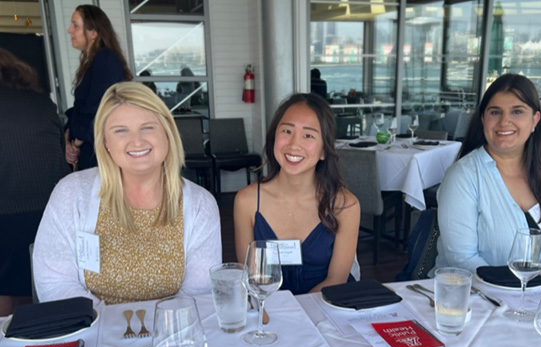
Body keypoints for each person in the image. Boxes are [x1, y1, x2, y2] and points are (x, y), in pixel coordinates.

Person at [34, 82, 222, 305]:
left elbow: (199, 292)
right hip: (92, 325)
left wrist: (156, 323)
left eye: (148, 127)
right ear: (105, 142)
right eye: (121, 130)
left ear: (167, 133)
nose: (137, 141)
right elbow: (55, 283)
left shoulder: (200, 205)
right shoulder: (72, 194)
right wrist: (110, 322)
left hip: (175, 325)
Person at [435, 74, 541, 273]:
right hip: (475, 290)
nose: (504, 121)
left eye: (517, 111)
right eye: (495, 112)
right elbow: (462, 258)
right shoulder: (462, 177)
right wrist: (516, 288)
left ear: (535, 119)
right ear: (483, 119)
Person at [234, 93, 360, 295]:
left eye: (308, 135)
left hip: (325, 306)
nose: (294, 144)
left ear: (324, 150)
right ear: (274, 138)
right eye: (287, 131)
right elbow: (251, 279)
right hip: (268, 308)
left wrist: (296, 312)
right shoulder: (246, 201)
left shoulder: (345, 205)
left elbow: (336, 279)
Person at [0, 48, 70, 315]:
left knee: (5, 285)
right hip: (52, 208)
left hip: (6, 211)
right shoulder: (43, 104)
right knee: (39, 280)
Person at [64, 4, 132, 171]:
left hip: (98, 152)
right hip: (93, 148)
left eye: (75, 25)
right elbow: (82, 109)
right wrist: (68, 135)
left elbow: (99, 107)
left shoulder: (105, 59)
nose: (69, 30)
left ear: (93, 32)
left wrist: (76, 142)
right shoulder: (96, 60)